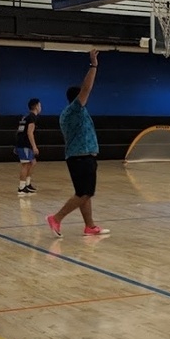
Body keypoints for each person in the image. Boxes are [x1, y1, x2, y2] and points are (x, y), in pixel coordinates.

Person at [46, 50, 109, 237]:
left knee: (84, 192)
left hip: (78, 157)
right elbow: (87, 88)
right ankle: (56, 218)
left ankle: (89, 226)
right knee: (84, 193)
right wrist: (94, 65)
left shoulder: (68, 113)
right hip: (82, 158)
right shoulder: (75, 110)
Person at [13, 97, 41, 195]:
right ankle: (21, 187)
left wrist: (16, 145)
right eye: (40, 105)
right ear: (36, 106)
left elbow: (19, 132)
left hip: (22, 144)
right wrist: (34, 146)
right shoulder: (32, 117)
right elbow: (30, 132)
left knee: (33, 162)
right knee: (25, 165)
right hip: (25, 144)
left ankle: (27, 184)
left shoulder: (25, 117)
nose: (40, 107)